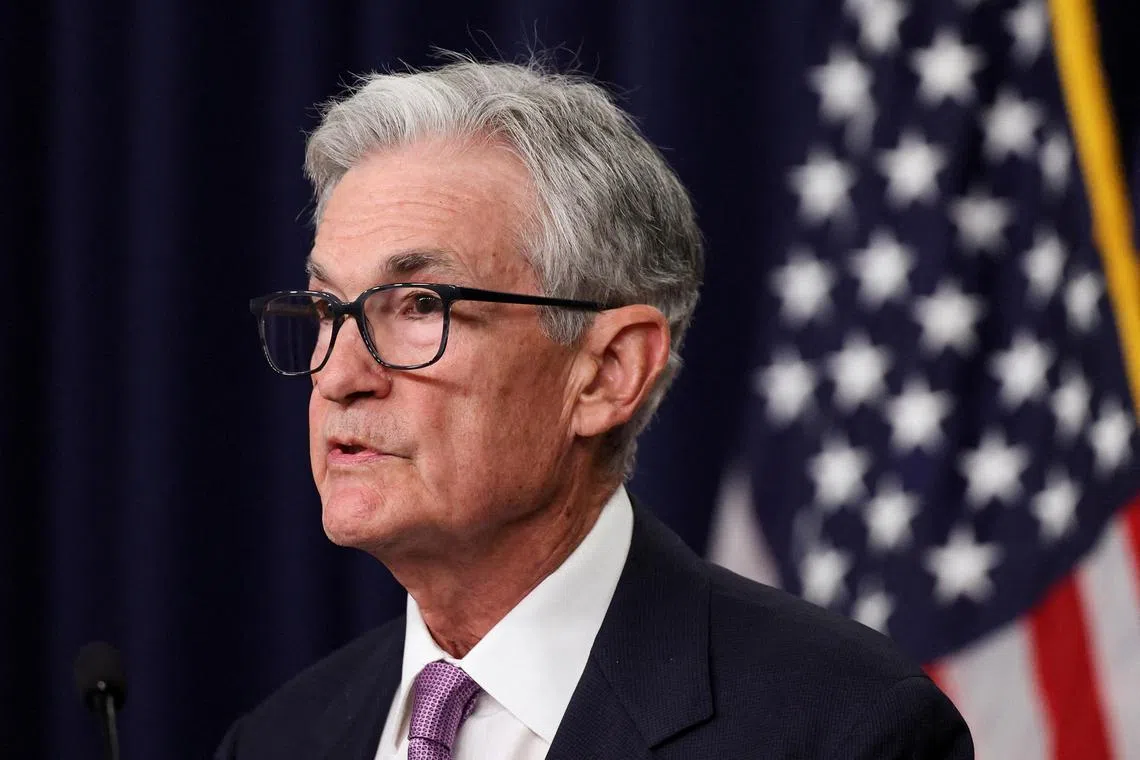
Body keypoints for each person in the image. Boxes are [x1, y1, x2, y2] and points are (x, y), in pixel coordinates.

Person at [217, 56, 973, 759]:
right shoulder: (279, 740)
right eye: (325, 308)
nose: (339, 373)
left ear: (608, 371)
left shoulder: (842, 730)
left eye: (417, 304)